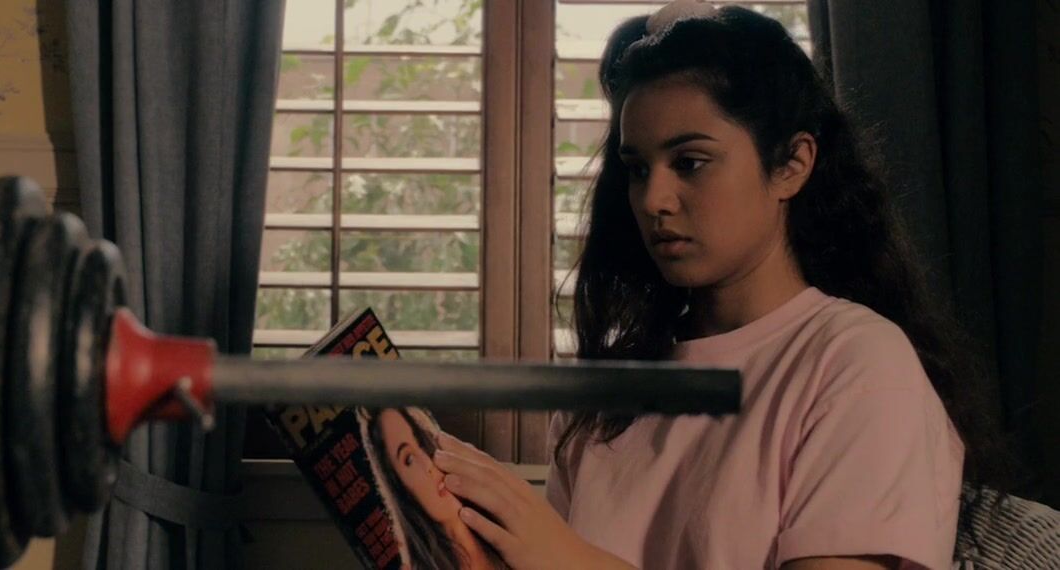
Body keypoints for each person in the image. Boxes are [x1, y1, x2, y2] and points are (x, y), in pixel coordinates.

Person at [431, 2, 1015, 569]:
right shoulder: (604, 397)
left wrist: (570, 559)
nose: (654, 200)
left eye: (690, 162)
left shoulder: (857, 364)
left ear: (792, 164)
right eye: (637, 169)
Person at [357, 407, 508, 569]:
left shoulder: (501, 516)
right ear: (403, 492)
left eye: (421, 443)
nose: (427, 464)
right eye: (409, 459)